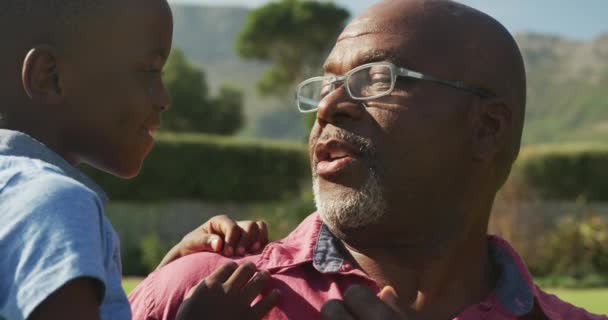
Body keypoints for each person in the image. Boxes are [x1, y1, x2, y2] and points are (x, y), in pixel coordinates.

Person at [128, 0, 608, 319]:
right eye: (327, 86)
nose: (330, 106)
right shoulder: (202, 295)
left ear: (486, 128)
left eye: (376, 79)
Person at [0, 0, 279, 319]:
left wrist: (166, 272)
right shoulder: (55, 203)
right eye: (150, 71)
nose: (164, 99)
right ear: (50, 76)